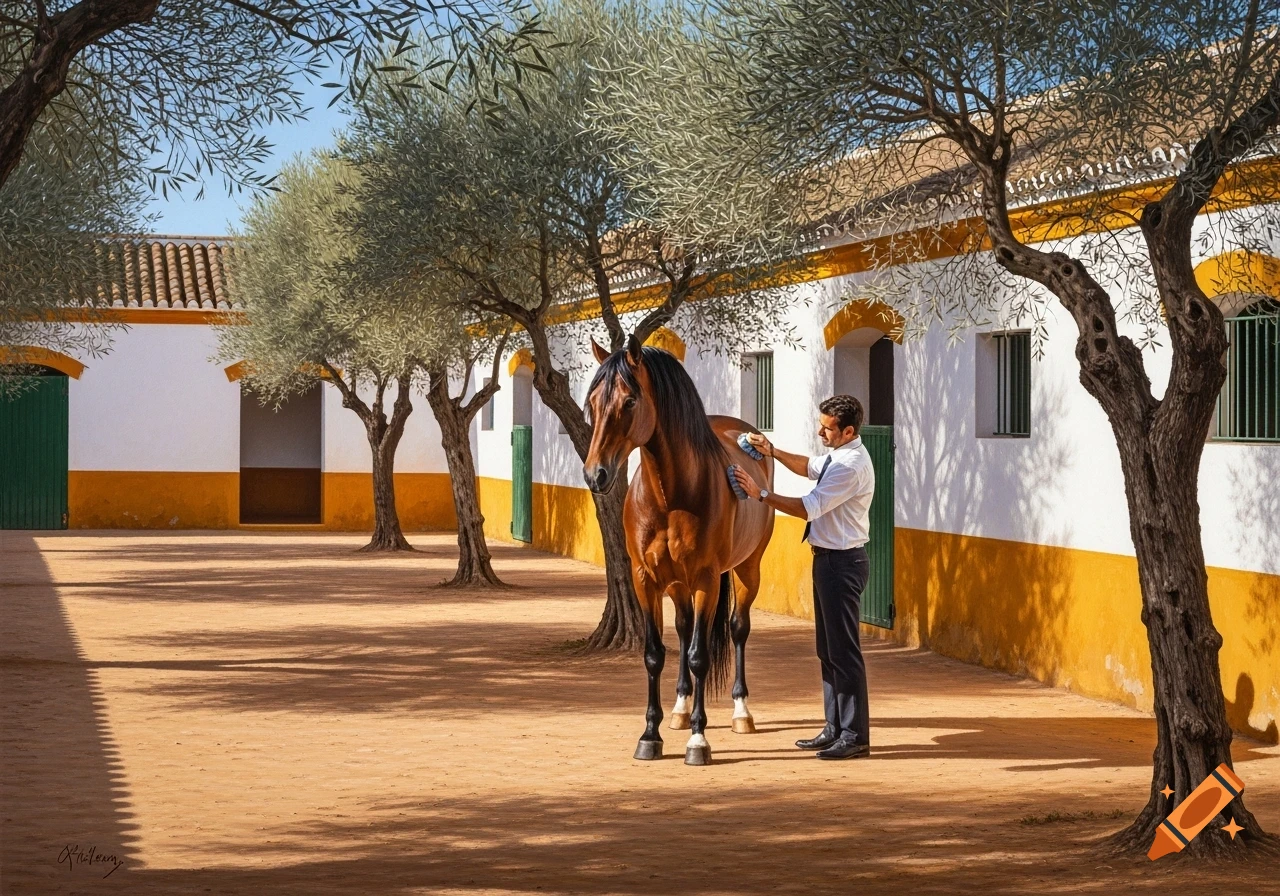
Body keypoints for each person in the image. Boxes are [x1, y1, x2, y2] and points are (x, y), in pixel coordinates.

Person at [731, 394, 876, 759]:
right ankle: (834, 728)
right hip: (828, 560)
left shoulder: (850, 466)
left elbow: (808, 508)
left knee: (844, 652)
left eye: (827, 428)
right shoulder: (839, 456)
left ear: (848, 431)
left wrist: (760, 493)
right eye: (821, 423)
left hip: (842, 564)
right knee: (827, 651)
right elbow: (811, 466)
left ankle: (854, 736)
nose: (820, 431)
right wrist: (773, 452)